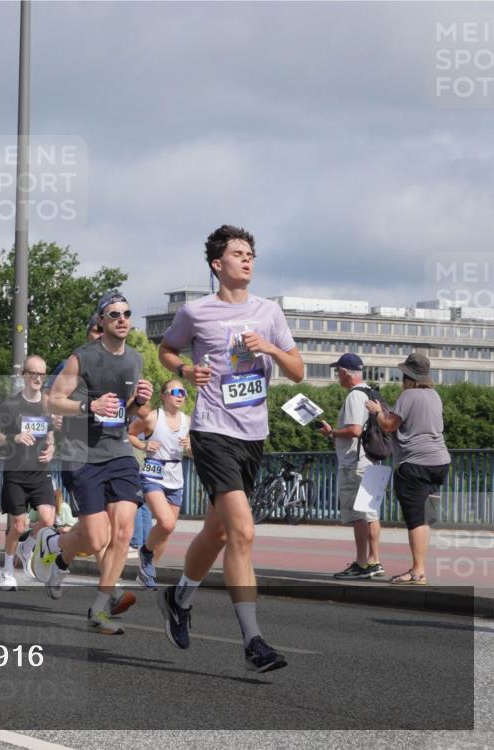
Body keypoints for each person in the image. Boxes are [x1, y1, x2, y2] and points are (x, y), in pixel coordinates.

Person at [157, 224, 303, 672]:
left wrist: (271, 351)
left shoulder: (270, 312)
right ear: (217, 264)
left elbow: (297, 371)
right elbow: (166, 349)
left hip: (253, 435)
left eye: (251, 254)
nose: (247, 260)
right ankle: (253, 640)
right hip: (213, 431)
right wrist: (185, 369)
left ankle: (179, 597)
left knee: (218, 532)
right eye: (238, 254)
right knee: (242, 532)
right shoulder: (196, 313)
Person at [37, 291, 153, 635]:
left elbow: (125, 412)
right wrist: (89, 407)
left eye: (127, 313)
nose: (121, 318)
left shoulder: (134, 360)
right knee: (95, 536)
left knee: (124, 530)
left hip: (118, 451)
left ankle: (100, 609)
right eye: (113, 313)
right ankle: (58, 555)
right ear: (100, 321)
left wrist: (138, 404)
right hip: (81, 453)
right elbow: (52, 402)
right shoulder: (81, 359)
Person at [365, 353, 450, 585]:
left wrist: (377, 412)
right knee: (424, 518)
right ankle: (420, 568)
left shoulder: (408, 395)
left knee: (415, 519)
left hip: (415, 464)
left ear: (408, 377)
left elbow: (389, 426)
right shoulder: (434, 395)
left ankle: (418, 572)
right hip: (440, 462)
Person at [0, 354, 56, 591]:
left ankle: (26, 547)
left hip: (40, 472)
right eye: (33, 373)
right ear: (24, 375)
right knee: (18, 526)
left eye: (41, 374)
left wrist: (52, 448)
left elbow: (50, 436)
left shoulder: (48, 404)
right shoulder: (11, 405)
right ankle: (7, 571)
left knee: (48, 519)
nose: (38, 378)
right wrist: (13, 436)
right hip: (16, 473)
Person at [318, 353, 384, 579]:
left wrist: (331, 432)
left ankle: (362, 563)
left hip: (355, 463)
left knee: (359, 516)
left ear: (345, 372)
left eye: (338, 372)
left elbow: (355, 430)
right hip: (373, 460)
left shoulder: (354, 396)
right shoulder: (371, 392)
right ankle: (374, 561)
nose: (337, 376)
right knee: (371, 513)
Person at [128, 378, 193, 589]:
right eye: (175, 392)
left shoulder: (187, 421)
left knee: (166, 531)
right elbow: (130, 433)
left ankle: (146, 571)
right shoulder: (152, 418)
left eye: (183, 393)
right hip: (153, 471)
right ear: (164, 395)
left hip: (176, 473)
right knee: (166, 522)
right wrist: (144, 444)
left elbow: (194, 452)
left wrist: (191, 447)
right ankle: (146, 551)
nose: (180, 396)